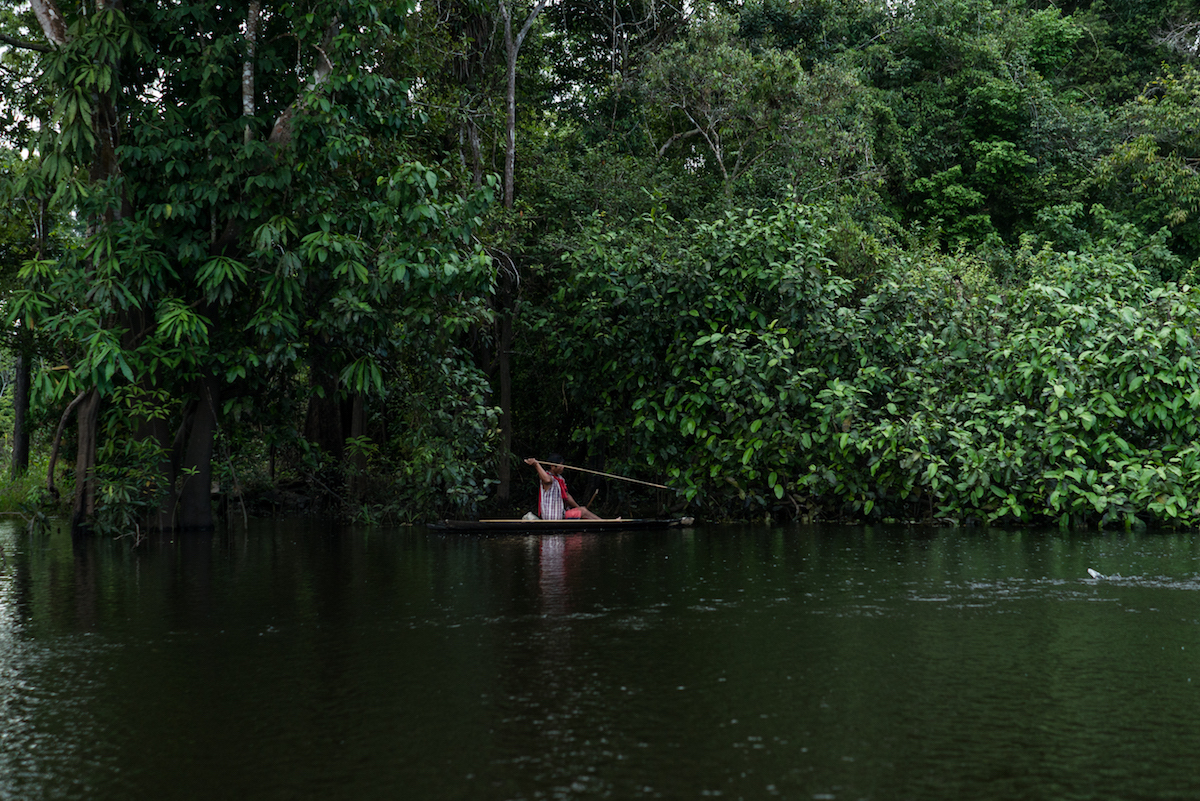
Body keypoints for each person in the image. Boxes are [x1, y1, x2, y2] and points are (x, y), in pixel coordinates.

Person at [524, 454, 601, 520]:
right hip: (551, 516)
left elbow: (567, 496)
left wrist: (578, 508)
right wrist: (536, 465)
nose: (563, 467)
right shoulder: (548, 478)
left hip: (561, 514)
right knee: (583, 511)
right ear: (552, 466)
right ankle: (603, 522)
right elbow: (547, 479)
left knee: (583, 510)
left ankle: (603, 522)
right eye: (560, 465)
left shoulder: (560, 479)